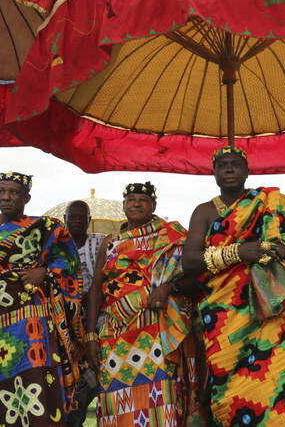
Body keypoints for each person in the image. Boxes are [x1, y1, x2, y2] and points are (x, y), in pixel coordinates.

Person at [181, 146, 285, 426]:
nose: (229, 169)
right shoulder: (205, 212)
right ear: (214, 173)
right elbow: (190, 261)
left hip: (272, 309)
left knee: (283, 378)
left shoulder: (272, 203)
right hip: (226, 315)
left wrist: (281, 249)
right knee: (233, 390)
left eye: (235, 164)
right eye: (223, 165)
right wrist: (238, 252)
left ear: (247, 171)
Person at [0, 171, 84, 426]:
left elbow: (70, 262)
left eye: (13, 192)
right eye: (1, 192)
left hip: (33, 317)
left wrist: (44, 272)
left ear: (26, 198)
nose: (6, 197)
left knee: (38, 375)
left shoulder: (45, 228)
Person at [85, 182, 200, 425]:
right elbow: (96, 289)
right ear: (124, 205)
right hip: (115, 330)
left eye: (143, 200)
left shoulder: (170, 235)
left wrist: (167, 288)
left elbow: (195, 274)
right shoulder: (110, 242)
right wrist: (91, 336)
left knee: (161, 396)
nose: (136, 204)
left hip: (157, 329)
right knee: (116, 398)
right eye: (131, 200)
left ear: (154, 206)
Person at [63, 200, 105, 427]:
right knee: (73, 389)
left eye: (82, 217)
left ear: (89, 220)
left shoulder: (100, 243)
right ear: (65, 220)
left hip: (98, 323)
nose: (77, 221)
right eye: (73, 217)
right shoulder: (56, 247)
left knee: (99, 380)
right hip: (67, 329)